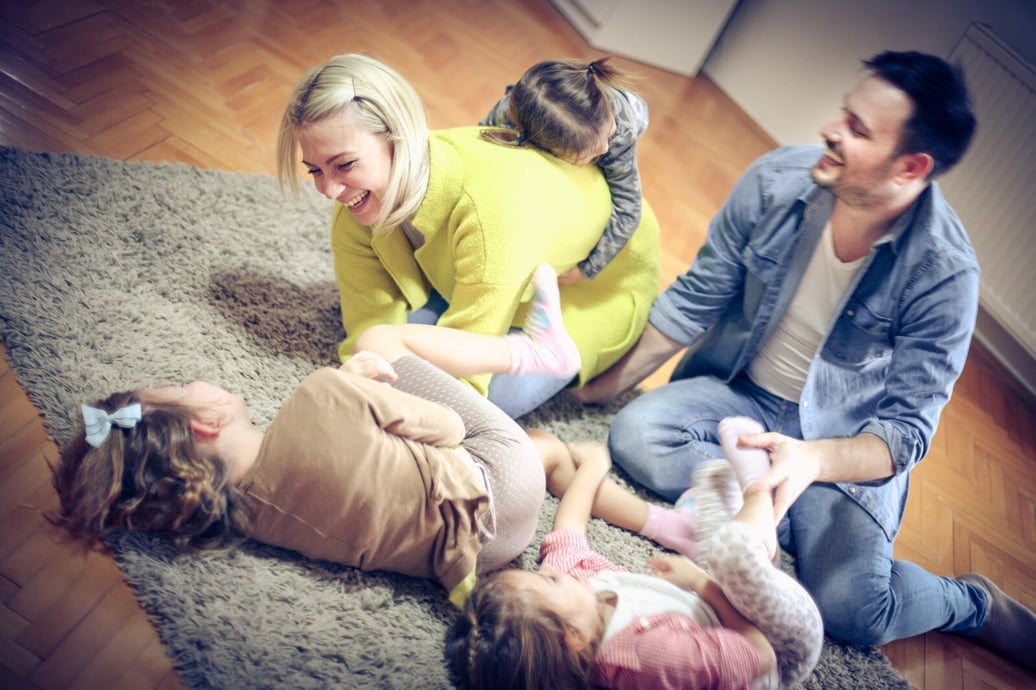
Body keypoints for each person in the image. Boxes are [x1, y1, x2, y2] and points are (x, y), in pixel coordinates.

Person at [572, 50, 1036, 671]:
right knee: (636, 432)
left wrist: (810, 462)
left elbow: (903, 436)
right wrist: (600, 386)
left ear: (912, 166)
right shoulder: (776, 181)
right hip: (741, 397)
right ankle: (771, 519)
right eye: (845, 113)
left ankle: (971, 604)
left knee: (853, 612)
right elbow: (695, 298)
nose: (831, 130)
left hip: (837, 450)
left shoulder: (945, 276)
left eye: (859, 130)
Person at [276, 53, 661, 419]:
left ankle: (540, 349)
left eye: (344, 165)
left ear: (400, 136)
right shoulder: (354, 208)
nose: (329, 190)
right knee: (388, 352)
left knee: (462, 404)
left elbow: (464, 386)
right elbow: (366, 332)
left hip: (585, 293)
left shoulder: (491, 213)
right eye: (315, 171)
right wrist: (361, 375)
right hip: (478, 267)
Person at [445, 429, 824, 690]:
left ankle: (699, 525)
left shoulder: (576, 608)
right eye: (548, 581)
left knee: (725, 547)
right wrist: (699, 582)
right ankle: (759, 489)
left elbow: (568, 529)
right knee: (733, 552)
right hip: (778, 644)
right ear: (575, 637)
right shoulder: (655, 659)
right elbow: (760, 654)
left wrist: (595, 466)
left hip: (715, 618)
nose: (549, 571)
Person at [480, 57, 649, 285]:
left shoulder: (619, 136)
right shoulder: (508, 110)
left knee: (613, 150)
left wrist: (586, 269)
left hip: (634, 110)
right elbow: (480, 141)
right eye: (590, 153)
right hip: (584, 111)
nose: (604, 148)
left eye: (605, 140)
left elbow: (629, 210)